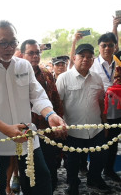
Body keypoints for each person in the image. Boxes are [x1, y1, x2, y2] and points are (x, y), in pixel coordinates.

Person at [0, 20, 67, 195]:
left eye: (13, 42)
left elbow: (37, 95)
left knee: (41, 184)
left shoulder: (24, 65)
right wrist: (6, 129)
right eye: (3, 43)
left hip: (27, 138)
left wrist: (50, 115)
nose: (9, 48)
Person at [56, 44, 110, 194]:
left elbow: (101, 102)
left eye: (89, 57)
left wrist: (104, 123)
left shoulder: (97, 78)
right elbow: (58, 103)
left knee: (99, 156)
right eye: (82, 56)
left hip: (95, 128)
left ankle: (94, 179)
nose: (86, 59)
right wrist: (61, 124)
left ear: (93, 60)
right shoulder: (63, 78)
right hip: (73, 129)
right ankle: (73, 183)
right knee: (72, 161)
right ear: (74, 58)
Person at [19, 39, 64, 192]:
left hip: (47, 131)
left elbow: (55, 99)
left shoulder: (46, 74)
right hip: (26, 133)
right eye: (31, 53)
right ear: (22, 54)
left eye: (37, 53)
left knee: (49, 170)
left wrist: (58, 120)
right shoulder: (16, 75)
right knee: (28, 171)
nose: (35, 56)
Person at [89, 32, 121, 183]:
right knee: (99, 145)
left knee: (113, 143)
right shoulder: (92, 64)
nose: (107, 48)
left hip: (117, 111)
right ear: (99, 47)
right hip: (99, 111)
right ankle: (94, 175)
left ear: (115, 47)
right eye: (104, 45)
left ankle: (109, 171)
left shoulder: (119, 63)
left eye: (110, 45)